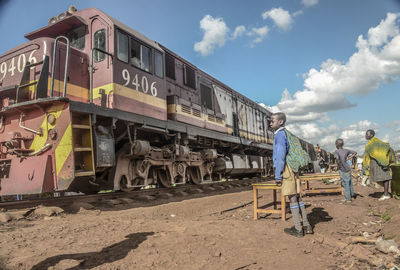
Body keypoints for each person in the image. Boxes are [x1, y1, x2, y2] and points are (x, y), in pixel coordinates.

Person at [270, 112, 313, 237]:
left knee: (292, 197)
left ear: (280, 122)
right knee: (297, 196)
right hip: (293, 168)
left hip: (287, 168)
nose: (270, 122)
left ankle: (298, 229)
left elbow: (280, 156)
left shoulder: (279, 135)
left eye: (272, 120)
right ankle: (307, 225)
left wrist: (278, 175)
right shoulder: (287, 134)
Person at [363, 129, 395, 201]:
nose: (365, 135)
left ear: (371, 135)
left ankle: (386, 194)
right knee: (383, 178)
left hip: (380, 164)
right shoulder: (374, 143)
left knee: (385, 178)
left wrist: (382, 160)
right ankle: (385, 193)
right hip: (379, 164)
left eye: (367, 134)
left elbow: (386, 149)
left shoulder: (373, 144)